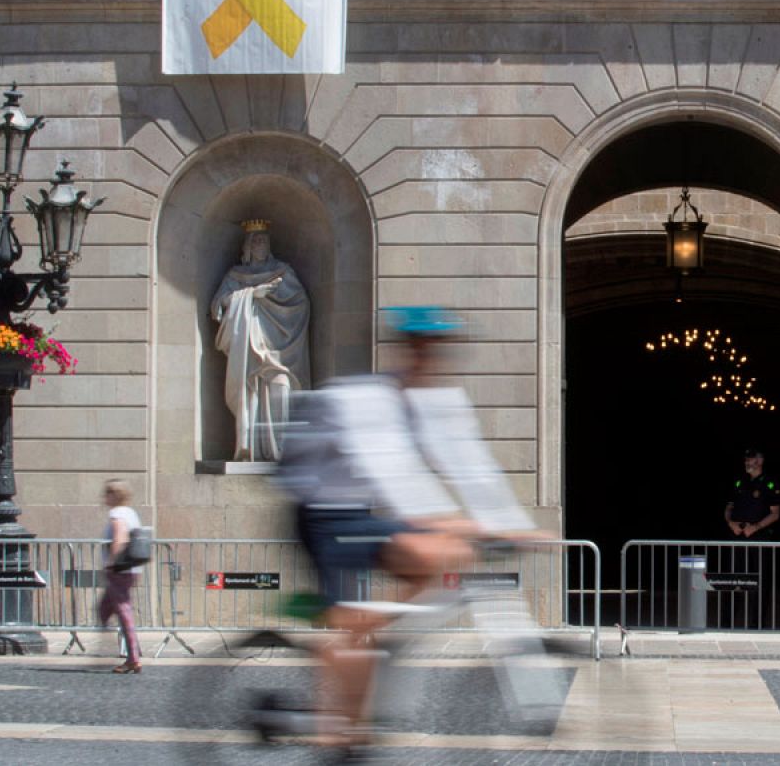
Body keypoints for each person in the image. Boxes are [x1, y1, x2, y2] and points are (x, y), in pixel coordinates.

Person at [277, 305, 546, 742]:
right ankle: (338, 684)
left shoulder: (437, 402)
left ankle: (374, 638)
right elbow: (392, 470)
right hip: (319, 515)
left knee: (435, 555)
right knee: (364, 610)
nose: (430, 360)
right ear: (406, 351)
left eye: (438, 350)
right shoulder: (362, 398)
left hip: (360, 515)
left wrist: (512, 523)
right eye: (422, 349)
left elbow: (472, 464)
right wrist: (450, 522)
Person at [210, 220, 311, 461]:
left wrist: (273, 296)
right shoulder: (236, 275)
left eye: (264, 240)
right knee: (249, 396)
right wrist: (251, 295)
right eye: (256, 241)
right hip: (246, 351)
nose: (260, 244)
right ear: (247, 246)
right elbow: (218, 305)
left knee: (281, 388)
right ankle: (249, 451)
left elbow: (301, 303)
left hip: (278, 351)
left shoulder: (283, 272)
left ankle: (282, 455)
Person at [98, 479, 144, 675]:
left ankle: (132, 657)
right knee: (105, 608)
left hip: (119, 570)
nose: (103, 498)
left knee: (123, 612)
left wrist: (111, 561)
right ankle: (115, 644)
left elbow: (120, 538)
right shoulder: (130, 512)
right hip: (130, 569)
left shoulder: (117, 513)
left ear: (113, 495)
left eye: (106, 494)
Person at [724, 448, 780, 540]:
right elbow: (729, 507)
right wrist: (730, 523)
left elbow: (775, 514)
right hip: (737, 535)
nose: (746, 463)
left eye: (750, 460)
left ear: (760, 461)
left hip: (759, 536)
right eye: (746, 460)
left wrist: (755, 527)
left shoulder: (769, 483)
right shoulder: (739, 482)